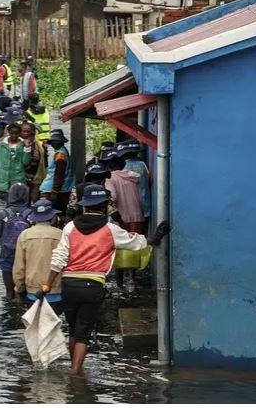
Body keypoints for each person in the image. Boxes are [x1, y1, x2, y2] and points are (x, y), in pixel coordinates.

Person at [41, 184, 170, 374]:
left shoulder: (69, 228)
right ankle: (76, 375)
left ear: (84, 206)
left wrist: (47, 285)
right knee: (83, 334)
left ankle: (72, 369)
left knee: (74, 329)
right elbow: (136, 242)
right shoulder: (111, 229)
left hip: (68, 284)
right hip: (93, 285)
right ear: (104, 207)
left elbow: (59, 258)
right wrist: (156, 237)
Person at [100, 149, 144, 293]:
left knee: (118, 250)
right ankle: (132, 280)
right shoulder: (133, 176)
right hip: (137, 216)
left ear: (109, 166)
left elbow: (113, 198)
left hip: (121, 218)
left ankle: (119, 285)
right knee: (134, 248)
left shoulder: (110, 178)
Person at [13, 199, 63, 314]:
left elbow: (19, 268)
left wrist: (19, 289)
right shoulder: (60, 234)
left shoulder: (24, 235)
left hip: (32, 293)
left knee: (34, 328)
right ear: (52, 217)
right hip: (56, 293)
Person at [0, 183, 31, 300]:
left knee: (9, 293)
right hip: (26, 257)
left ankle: (9, 313)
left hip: (7, 256)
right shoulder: (31, 214)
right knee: (25, 292)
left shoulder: (3, 214)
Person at [0, 119, 32, 196]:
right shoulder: (1, 144)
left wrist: (27, 148)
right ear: (8, 132)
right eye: (12, 133)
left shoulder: (22, 145)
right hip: (3, 181)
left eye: (16, 134)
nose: (14, 136)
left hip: (17, 180)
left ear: (19, 133)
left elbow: (25, 162)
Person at [40, 130, 76, 212]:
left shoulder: (60, 155)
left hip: (58, 190)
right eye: (52, 142)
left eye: (55, 142)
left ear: (61, 142)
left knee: (55, 211)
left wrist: (55, 191)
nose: (53, 144)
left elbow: (59, 174)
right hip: (65, 188)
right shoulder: (63, 152)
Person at [118, 140, 151, 225]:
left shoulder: (123, 167)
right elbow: (146, 183)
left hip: (129, 207)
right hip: (145, 204)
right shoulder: (142, 165)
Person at [21, 121, 46, 204]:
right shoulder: (20, 144)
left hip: (36, 175)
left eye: (30, 133)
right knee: (25, 200)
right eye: (23, 131)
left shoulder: (39, 146)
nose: (27, 134)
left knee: (35, 199)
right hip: (24, 175)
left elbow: (44, 162)